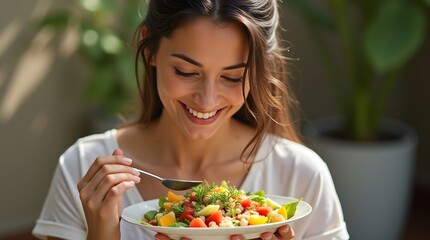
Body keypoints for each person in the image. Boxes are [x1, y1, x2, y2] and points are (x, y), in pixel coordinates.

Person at [32, 0, 349, 239]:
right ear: (152, 48)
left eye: (232, 77)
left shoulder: (301, 175)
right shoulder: (84, 170)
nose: (207, 100)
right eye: (186, 72)